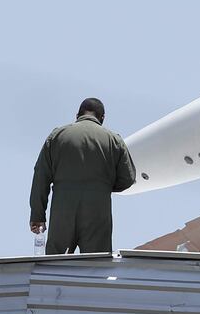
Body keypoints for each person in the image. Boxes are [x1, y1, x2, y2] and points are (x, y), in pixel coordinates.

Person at [29, 98, 136, 254]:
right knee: (95, 266)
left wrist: (38, 215)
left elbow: (41, 176)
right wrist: (104, 186)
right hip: (97, 211)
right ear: (102, 117)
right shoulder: (114, 140)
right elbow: (128, 178)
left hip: (62, 211)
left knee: (54, 267)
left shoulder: (57, 136)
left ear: (77, 115)